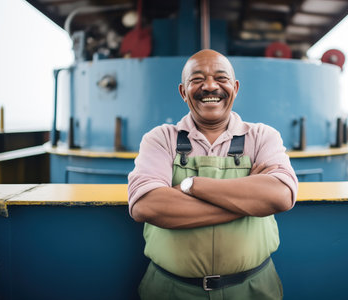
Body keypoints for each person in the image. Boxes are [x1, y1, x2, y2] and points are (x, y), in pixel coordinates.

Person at [128, 49, 298, 300]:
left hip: (253, 291)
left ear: (235, 87)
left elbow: (280, 196)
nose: (209, 86)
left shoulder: (262, 136)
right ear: (183, 91)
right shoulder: (160, 139)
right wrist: (249, 200)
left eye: (221, 78)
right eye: (197, 79)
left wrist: (191, 185)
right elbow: (147, 206)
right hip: (170, 292)